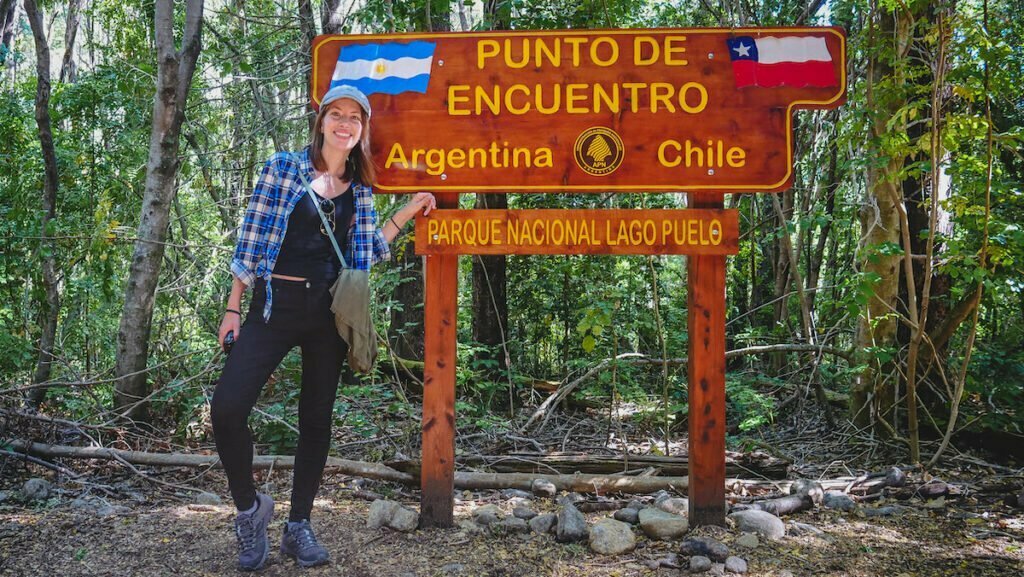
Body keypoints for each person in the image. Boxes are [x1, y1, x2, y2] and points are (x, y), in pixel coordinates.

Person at [211, 84, 435, 571]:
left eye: (355, 117)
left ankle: (298, 526)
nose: (345, 123)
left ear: (362, 129)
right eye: (337, 114)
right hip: (272, 309)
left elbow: (366, 251)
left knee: (316, 421)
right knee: (227, 408)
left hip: (327, 316)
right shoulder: (282, 168)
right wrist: (233, 307)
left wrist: (410, 209)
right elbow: (250, 241)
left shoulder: (360, 187)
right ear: (321, 121)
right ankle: (250, 512)